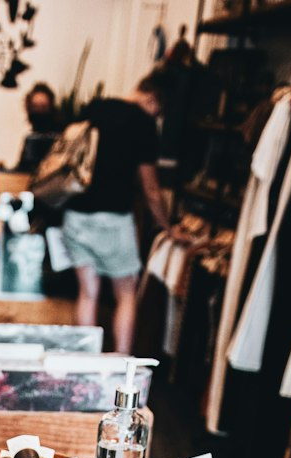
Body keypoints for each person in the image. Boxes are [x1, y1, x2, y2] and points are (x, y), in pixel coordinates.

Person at [62, 72, 188, 351]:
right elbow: (151, 190)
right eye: (159, 112)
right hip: (113, 219)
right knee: (126, 295)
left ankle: (84, 364)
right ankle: (121, 370)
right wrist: (168, 227)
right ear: (153, 100)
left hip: (75, 215)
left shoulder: (94, 108)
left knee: (87, 293)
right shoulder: (143, 124)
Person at [17, 82, 59, 171]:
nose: (39, 111)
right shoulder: (30, 138)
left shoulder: (58, 139)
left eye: (43, 107)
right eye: (35, 107)